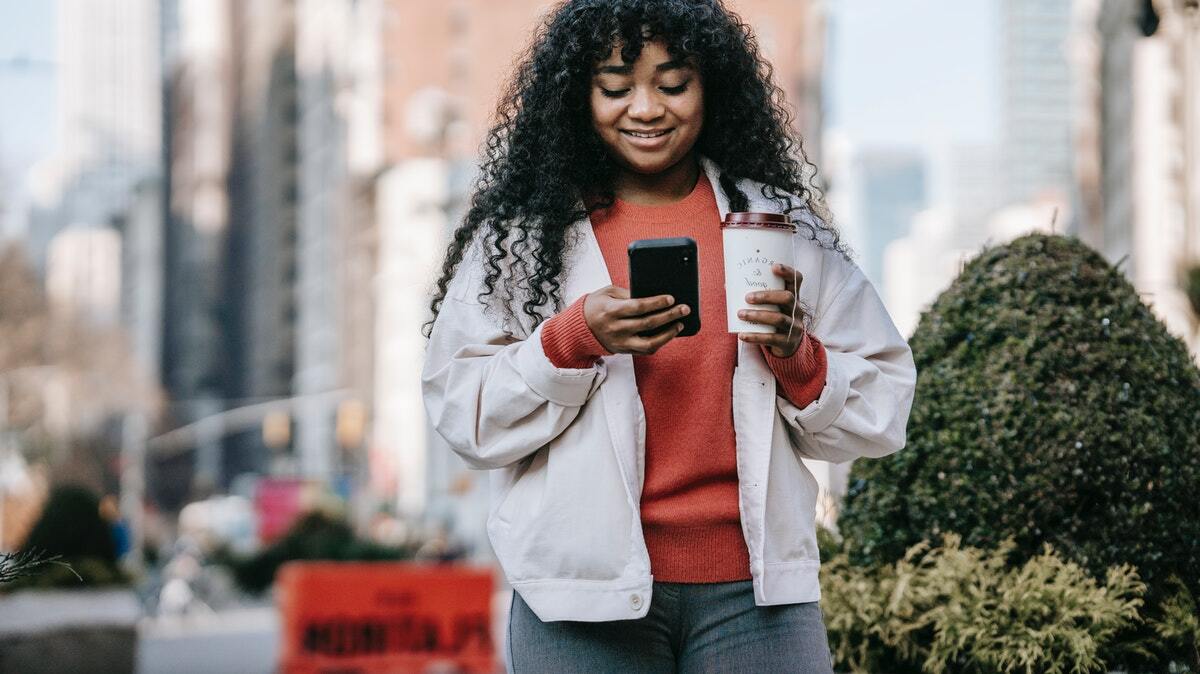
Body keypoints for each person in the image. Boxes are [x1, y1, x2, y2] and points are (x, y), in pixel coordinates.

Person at [421, 1, 916, 671]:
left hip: (756, 600)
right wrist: (570, 341)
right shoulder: (521, 236)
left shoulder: (779, 225)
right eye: (617, 87)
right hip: (579, 601)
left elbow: (885, 405)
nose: (647, 108)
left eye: (673, 83)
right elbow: (461, 410)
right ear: (579, 94)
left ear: (712, 86)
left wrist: (799, 359)